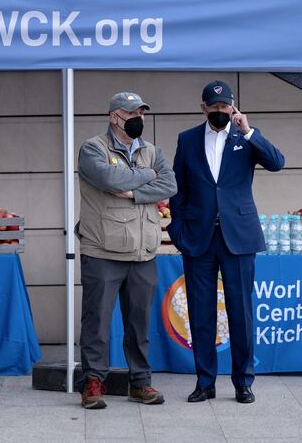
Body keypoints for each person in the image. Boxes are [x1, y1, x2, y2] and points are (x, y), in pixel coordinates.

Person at [167, 80, 284, 404]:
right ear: (203, 108)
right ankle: (205, 382)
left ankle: (243, 382)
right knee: (200, 313)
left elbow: (277, 162)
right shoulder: (187, 140)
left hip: (239, 238)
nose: (220, 112)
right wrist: (177, 231)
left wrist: (249, 131)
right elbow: (179, 189)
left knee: (241, 313)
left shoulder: (245, 138)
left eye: (225, 107)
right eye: (214, 107)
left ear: (233, 107)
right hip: (199, 239)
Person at [76, 91, 177, 409]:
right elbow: (108, 177)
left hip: (143, 252)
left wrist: (131, 191)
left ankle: (140, 383)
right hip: (103, 251)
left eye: (141, 114)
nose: (137, 120)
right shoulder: (93, 148)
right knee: (97, 322)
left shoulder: (152, 151)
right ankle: (93, 383)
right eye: (130, 114)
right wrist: (148, 178)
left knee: (139, 324)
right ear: (113, 117)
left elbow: (170, 184)